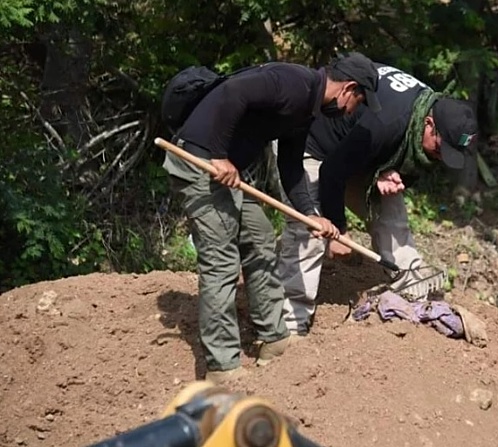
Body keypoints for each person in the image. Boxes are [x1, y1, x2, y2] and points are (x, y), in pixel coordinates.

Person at [161, 53, 381, 383]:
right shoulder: (294, 84)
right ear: (349, 88)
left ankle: (275, 339)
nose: (351, 111)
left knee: (261, 238)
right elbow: (233, 91)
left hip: (226, 174)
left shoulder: (306, 108)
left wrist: (311, 215)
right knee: (222, 260)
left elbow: (290, 167)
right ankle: (222, 368)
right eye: (358, 102)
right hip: (198, 162)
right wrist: (219, 154)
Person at [276, 63, 478, 336]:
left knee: (393, 215)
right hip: (310, 147)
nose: (441, 157)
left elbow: (382, 152)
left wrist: (385, 171)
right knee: (310, 232)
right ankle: (290, 325)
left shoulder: (427, 110)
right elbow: (331, 172)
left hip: (354, 152)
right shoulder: (390, 122)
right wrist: (339, 231)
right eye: (442, 149)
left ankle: (414, 295)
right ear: (429, 125)